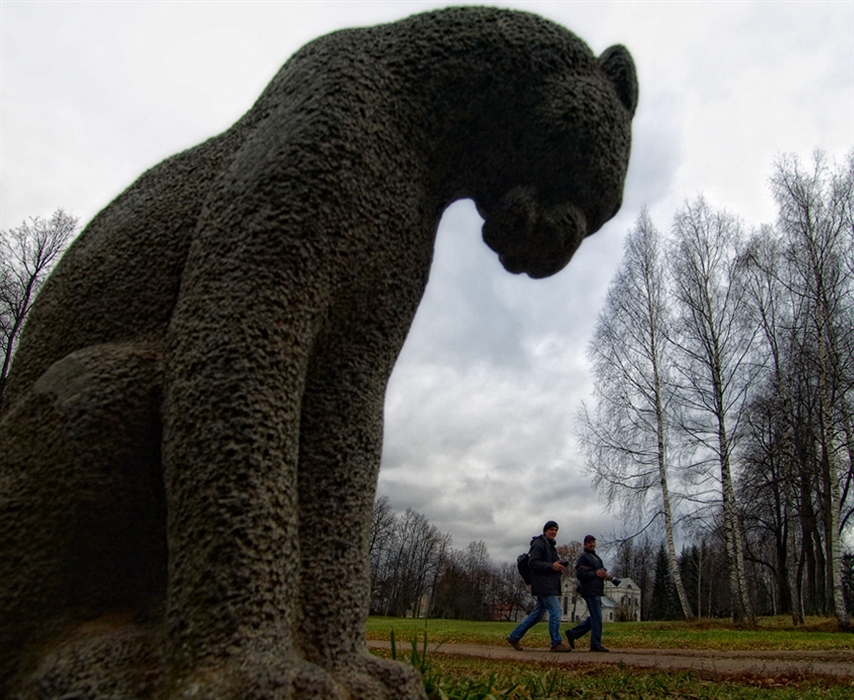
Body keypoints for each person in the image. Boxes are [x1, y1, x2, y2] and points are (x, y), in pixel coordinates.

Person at [506, 521, 571, 653]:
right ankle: (556, 643)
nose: (553, 532)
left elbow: (548, 564)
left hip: (548, 584)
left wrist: (557, 567)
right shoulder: (539, 544)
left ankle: (514, 637)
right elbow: (533, 563)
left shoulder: (550, 546)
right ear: (545, 530)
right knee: (556, 610)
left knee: (537, 615)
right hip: (543, 585)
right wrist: (551, 566)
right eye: (551, 529)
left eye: (555, 530)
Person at [565, 534, 619, 652]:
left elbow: (599, 572)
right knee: (597, 618)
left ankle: (573, 633)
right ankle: (595, 644)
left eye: (593, 542)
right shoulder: (583, 558)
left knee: (595, 617)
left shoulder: (596, 558)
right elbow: (580, 574)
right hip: (589, 591)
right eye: (589, 542)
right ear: (585, 544)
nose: (592, 544)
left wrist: (603, 576)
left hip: (597, 591)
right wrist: (595, 574)